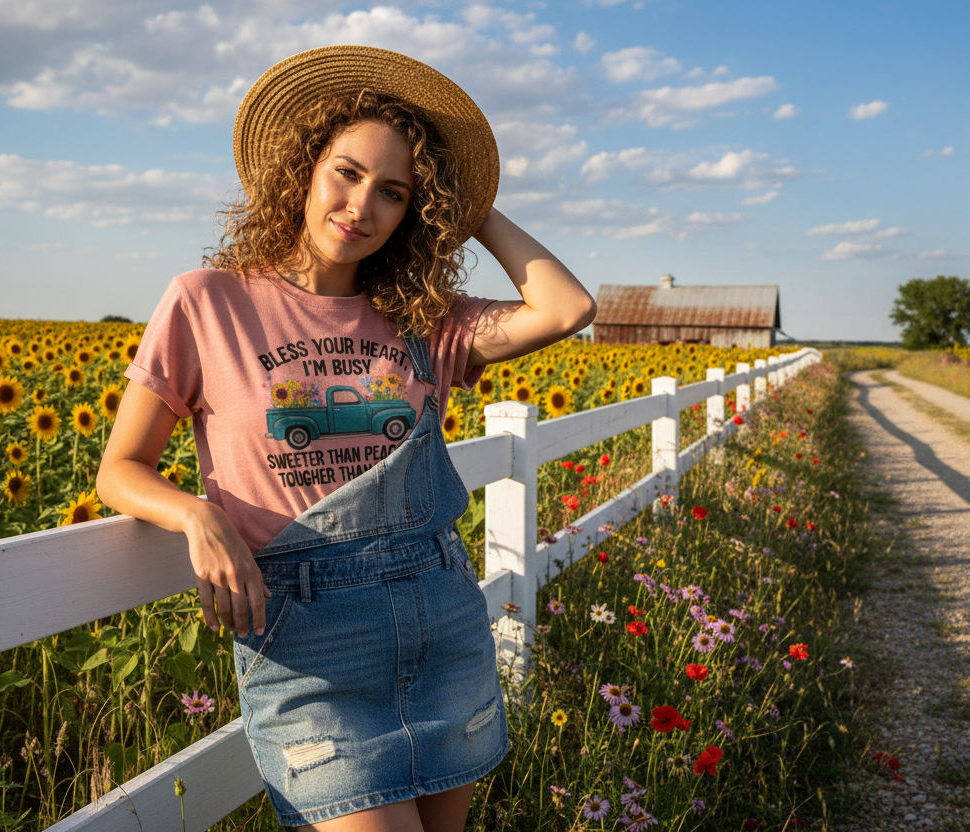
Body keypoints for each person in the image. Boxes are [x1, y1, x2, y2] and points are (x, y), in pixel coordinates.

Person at [95, 46, 596, 831]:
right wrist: (198, 516)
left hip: (440, 617)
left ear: (414, 213)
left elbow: (566, 308)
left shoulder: (424, 318)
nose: (362, 205)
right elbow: (120, 469)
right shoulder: (207, 304)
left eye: (394, 193)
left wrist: (471, 205)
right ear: (303, 169)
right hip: (307, 641)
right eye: (347, 172)